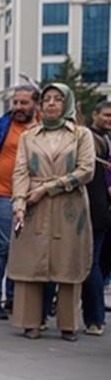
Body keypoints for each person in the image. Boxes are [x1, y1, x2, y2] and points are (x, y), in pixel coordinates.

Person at [8, 83, 95, 342]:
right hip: (33, 204)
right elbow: (21, 171)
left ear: (67, 103)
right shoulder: (29, 136)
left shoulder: (80, 134)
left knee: (69, 262)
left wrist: (47, 188)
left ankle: (69, 324)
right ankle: (29, 322)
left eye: (58, 99)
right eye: (47, 99)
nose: (51, 103)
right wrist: (19, 203)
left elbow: (86, 170)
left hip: (69, 204)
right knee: (30, 262)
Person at [0, 85, 41, 319]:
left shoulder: (42, 129)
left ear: (35, 105)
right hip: (2, 194)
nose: (18, 107)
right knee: (3, 246)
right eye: (15, 102)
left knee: (22, 248)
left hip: (33, 196)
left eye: (24, 103)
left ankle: (14, 298)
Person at [82, 101, 111, 336]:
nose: (109, 119)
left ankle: (95, 316)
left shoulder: (106, 140)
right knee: (92, 264)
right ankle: (94, 317)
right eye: (106, 115)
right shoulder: (89, 138)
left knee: (97, 265)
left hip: (102, 212)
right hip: (92, 209)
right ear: (95, 114)